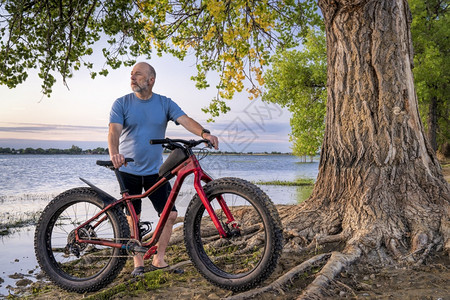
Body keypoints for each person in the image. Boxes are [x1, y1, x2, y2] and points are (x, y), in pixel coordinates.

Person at [108, 62, 219, 276]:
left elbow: (184, 120)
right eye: (131, 75)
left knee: (170, 215)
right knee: (134, 218)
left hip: (155, 172)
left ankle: (159, 259)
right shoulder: (122, 103)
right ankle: (138, 264)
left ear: (151, 80)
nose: (132, 78)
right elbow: (114, 132)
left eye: (138, 75)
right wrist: (114, 153)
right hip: (128, 170)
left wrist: (204, 133)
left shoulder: (164, 103)